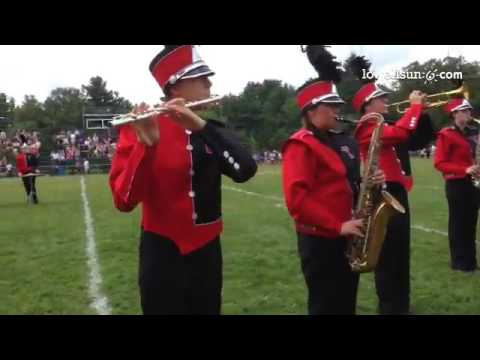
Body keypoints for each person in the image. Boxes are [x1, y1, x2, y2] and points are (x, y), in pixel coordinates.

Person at [109, 45, 258, 315]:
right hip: (162, 253)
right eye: (201, 78)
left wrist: (200, 126)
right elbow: (124, 200)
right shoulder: (140, 127)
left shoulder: (211, 130)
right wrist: (148, 147)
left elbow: (244, 170)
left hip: (207, 251)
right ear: (175, 88)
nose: (209, 83)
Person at [282, 45, 384, 315]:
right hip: (322, 238)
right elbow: (297, 201)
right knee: (325, 304)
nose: (338, 111)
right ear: (312, 110)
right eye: (332, 106)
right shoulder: (300, 145)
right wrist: (337, 225)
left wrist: (372, 182)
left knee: (346, 301)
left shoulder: (344, 142)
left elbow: (352, 184)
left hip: (348, 233)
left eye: (338, 105)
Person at [348, 55, 427, 315]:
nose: (387, 101)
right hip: (382, 193)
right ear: (368, 105)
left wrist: (417, 112)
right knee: (389, 254)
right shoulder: (366, 127)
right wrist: (415, 107)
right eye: (382, 99)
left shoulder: (381, 123)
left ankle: (400, 305)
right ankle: (391, 307)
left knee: (401, 253)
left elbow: (410, 135)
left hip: (396, 190)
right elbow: (403, 133)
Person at [434, 98, 479, 272]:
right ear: (454, 113)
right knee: (458, 224)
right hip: (457, 182)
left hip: (474, 182)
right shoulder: (446, 134)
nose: (468, 114)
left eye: (469, 110)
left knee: (471, 223)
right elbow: (439, 163)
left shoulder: (474, 132)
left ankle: (471, 262)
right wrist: (465, 169)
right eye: (464, 111)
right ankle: (459, 262)